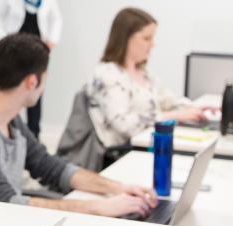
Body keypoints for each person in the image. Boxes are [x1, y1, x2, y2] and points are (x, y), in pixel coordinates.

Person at [0, 33, 158, 218]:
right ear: (32, 81)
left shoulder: (9, 118)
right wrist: (96, 208)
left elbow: (51, 168)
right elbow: (5, 202)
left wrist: (116, 188)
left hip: (2, 224)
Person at [87, 8, 219, 148]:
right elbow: (124, 124)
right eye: (146, 38)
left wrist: (191, 109)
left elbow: (166, 100)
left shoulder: (143, 72)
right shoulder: (107, 75)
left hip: (147, 143)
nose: (152, 44)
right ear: (126, 38)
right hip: (122, 151)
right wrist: (177, 115)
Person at [0, 0, 61, 140]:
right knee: (12, 88)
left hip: (37, 50)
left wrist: (52, 40)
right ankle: (8, 131)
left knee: (35, 91)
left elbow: (56, 19)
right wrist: (2, 38)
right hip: (15, 49)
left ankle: (34, 136)